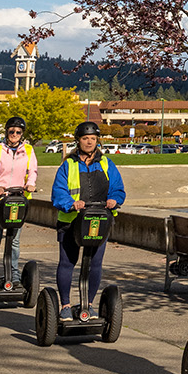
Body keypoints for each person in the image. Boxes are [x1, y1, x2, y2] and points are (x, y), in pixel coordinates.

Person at [52, 121, 126, 318]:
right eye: (85, 138)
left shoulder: (106, 163)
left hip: (98, 221)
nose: (89, 142)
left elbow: (118, 188)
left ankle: (89, 304)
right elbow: (58, 191)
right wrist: (70, 203)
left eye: (93, 138)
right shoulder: (68, 164)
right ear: (78, 140)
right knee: (68, 262)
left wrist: (114, 199)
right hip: (71, 221)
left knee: (95, 263)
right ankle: (65, 306)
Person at [0, 115, 38, 295]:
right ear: (7, 131)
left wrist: (31, 184)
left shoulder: (28, 150)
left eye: (18, 132)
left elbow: (33, 171)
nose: (14, 134)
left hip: (18, 200)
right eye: (12, 131)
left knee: (14, 241)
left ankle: (14, 277)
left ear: (22, 134)